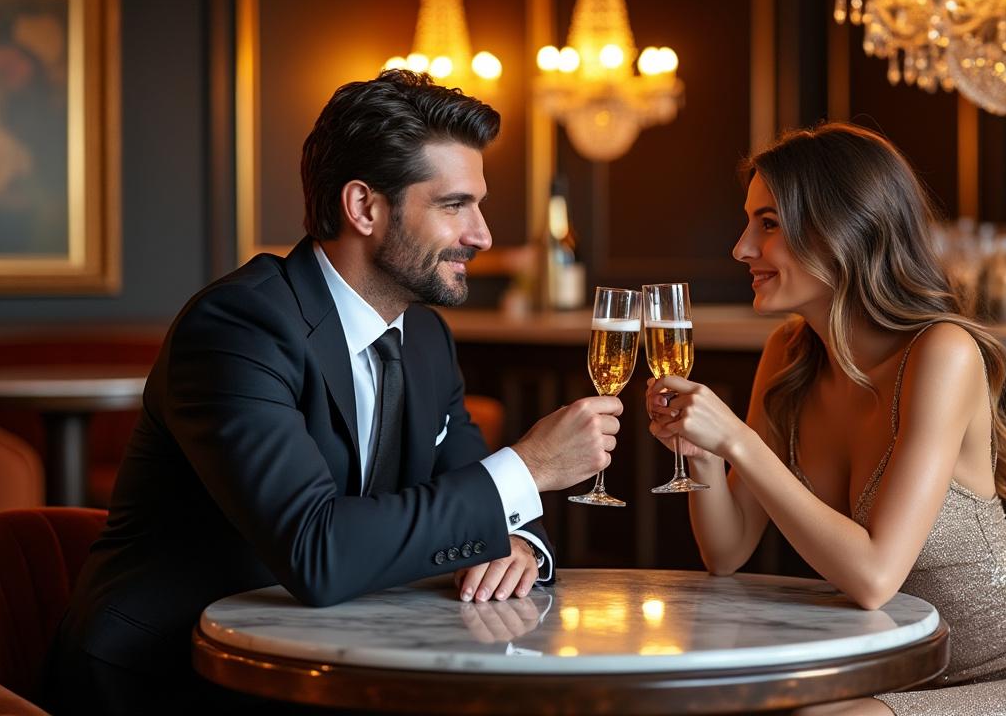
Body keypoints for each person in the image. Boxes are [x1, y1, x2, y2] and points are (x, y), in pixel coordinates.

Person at [49, 70, 622, 714]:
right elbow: (317, 551)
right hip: (172, 675)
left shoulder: (425, 336)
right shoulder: (240, 326)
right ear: (364, 208)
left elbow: (472, 486)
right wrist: (531, 467)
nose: (482, 235)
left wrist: (519, 543)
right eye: (454, 205)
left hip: (327, 659)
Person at [644, 123, 1006, 715]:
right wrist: (704, 451)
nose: (742, 248)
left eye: (769, 224)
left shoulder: (942, 353)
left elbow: (874, 577)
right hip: (912, 677)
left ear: (843, 230)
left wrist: (738, 440)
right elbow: (726, 551)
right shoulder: (789, 355)